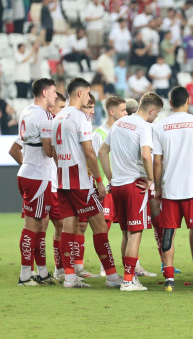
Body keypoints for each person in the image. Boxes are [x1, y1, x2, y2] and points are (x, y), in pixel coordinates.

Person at [53, 78, 124, 288]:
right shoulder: (80, 117)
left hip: (63, 179)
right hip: (81, 181)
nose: (88, 97)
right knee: (100, 225)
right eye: (87, 93)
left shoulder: (58, 117)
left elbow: (54, 151)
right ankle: (111, 276)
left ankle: (69, 277)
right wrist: (99, 181)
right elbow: (89, 152)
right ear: (80, 94)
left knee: (68, 226)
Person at [152, 86, 193, 292]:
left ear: (170, 103)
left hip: (170, 188)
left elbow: (157, 162)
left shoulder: (160, 126)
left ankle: (169, 279)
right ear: (188, 101)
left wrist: (158, 187)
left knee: (168, 232)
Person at [99, 92, 164, 291]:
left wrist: (110, 178)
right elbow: (146, 155)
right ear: (151, 110)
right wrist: (151, 179)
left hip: (117, 186)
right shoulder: (144, 127)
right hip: (133, 185)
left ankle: (129, 276)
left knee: (127, 233)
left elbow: (102, 151)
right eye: (157, 113)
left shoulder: (119, 123)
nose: (156, 118)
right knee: (135, 234)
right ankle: (128, 280)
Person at [13, 78, 57, 286]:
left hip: (29, 172)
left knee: (40, 225)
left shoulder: (26, 111)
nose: (56, 96)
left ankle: (41, 272)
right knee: (32, 226)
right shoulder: (44, 117)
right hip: (37, 176)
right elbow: (48, 151)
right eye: (54, 92)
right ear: (45, 92)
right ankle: (24, 276)